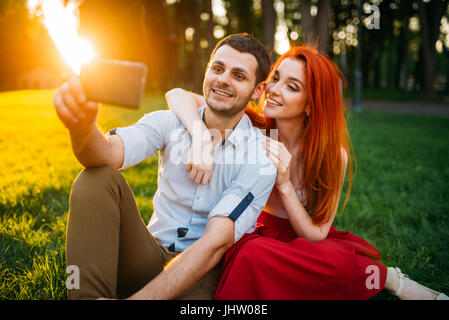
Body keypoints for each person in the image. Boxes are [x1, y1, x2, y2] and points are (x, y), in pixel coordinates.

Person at [166, 45, 448, 300]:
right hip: (252, 234)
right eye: (275, 78)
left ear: (311, 103)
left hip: (303, 241)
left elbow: (316, 235)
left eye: (292, 87)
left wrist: (286, 184)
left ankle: (388, 279)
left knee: (340, 264)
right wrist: (200, 136)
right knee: (252, 256)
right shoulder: (250, 124)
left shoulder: (333, 156)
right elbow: (176, 95)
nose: (274, 90)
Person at [53, 33, 277, 300]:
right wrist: (82, 128)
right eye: (217, 69)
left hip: (202, 272)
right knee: (94, 179)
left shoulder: (260, 157)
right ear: (207, 71)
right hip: (150, 253)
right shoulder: (169, 122)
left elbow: (215, 243)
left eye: (239, 76)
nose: (223, 80)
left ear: (257, 90)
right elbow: (107, 153)